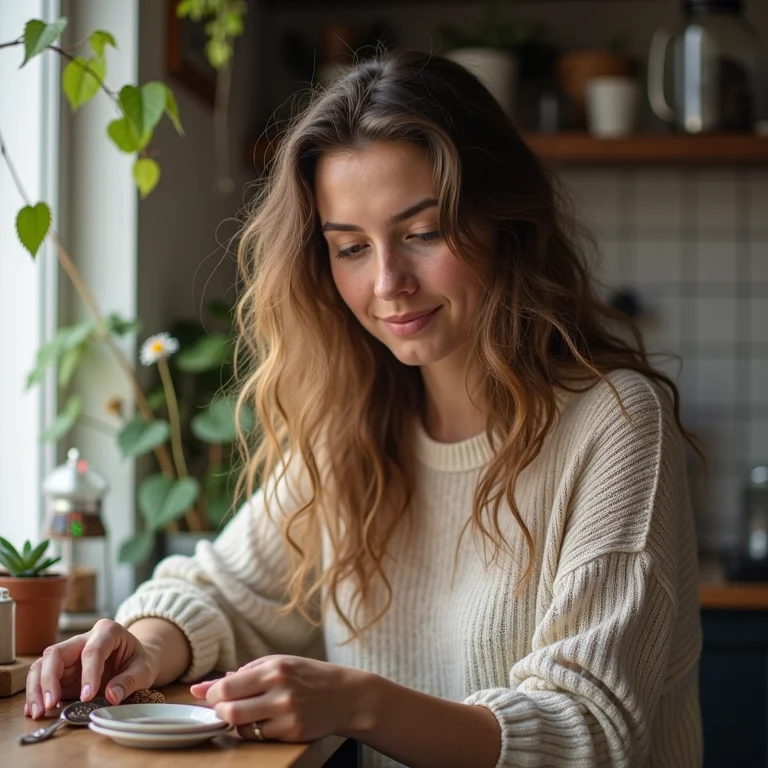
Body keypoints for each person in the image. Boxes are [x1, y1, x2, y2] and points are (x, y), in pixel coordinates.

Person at [25, 49, 703, 767]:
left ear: (504, 222)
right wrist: (142, 646)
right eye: (350, 247)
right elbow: (227, 591)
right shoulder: (355, 424)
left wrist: (357, 703)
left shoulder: (614, 423)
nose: (388, 284)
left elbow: (589, 732)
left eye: (422, 233)